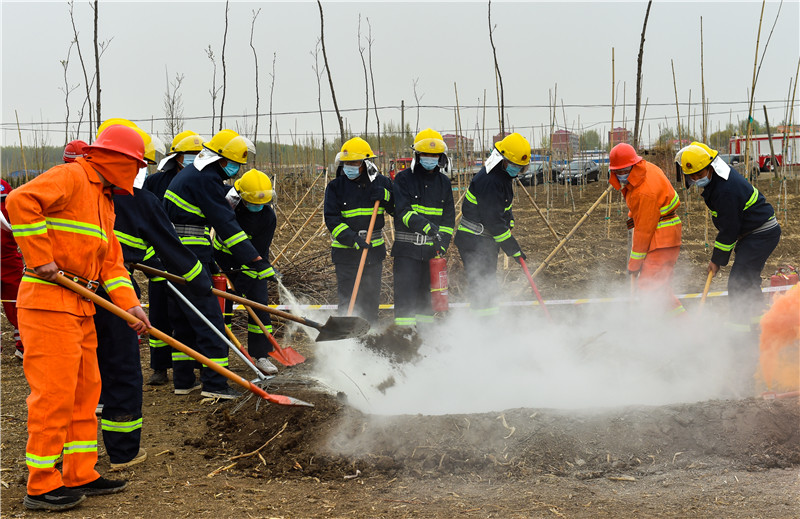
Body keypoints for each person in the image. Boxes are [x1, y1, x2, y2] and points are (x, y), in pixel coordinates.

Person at [7, 124, 151, 511]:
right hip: (49, 300)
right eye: (136, 165)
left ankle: (79, 471)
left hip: (82, 303)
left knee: (85, 394)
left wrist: (129, 304)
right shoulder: (72, 176)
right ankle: (41, 483)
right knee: (54, 395)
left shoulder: (104, 199)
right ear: (117, 159)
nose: (137, 173)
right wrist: (40, 258)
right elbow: (21, 201)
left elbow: (111, 262)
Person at [164, 129, 270, 399]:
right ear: (221, 159)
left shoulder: (190, 176)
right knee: (210, 319)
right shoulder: (206, 180)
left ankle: (184, 381)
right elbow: (226, 225)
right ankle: (215, 385)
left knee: (184, 320)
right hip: (190, 256)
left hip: (177, 254)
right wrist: (255, 259)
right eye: (234, 164)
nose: (235, 170)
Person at [676, 141, 781, 329]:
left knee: (738, 282)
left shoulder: (725, 190)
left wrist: (717, 260)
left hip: (761, 233)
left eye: (700, 174)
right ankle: (759, 325)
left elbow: (729, 229)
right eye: (691, 176)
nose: (696, 179)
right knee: (748, 279)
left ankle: (738, 331)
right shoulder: (717, 177)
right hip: (751, 234)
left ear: (710, 168)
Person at [142, 130, 204, 386]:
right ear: (178, 157)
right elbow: (143, 220)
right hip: (158, 260)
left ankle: (192, 366)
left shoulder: (201, 181)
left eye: (197, 155)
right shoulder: (156, 182)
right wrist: (151, 260)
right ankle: (160, 367)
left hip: (187, 258)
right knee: (159, 315)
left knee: (187, 317)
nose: (193, 159)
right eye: (189, 155)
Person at [454, 133, 528, 316]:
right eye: (514, 165)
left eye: (520, 167)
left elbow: (503, 208)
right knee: (483, 286)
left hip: (485, 241)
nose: (517, 170)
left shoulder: (502, 176)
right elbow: (493, 221)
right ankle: (483, 331)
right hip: (474, 240)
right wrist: (513, 249)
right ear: (504, 159)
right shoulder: (490, 180)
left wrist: (510, 220)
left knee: (487, 286)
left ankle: (487, 326)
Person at [214, 169, 279, 374]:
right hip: (222, 264)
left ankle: (261, 356)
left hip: (253, 264)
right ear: (241, 197)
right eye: (253, 202)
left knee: (260, 307)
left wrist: (250, 277)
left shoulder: (268, 216)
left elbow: (261, 250)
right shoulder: (228, 210)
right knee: (222, 312)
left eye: (263, 202)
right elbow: (226, 242)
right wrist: (234, 281)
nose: (258, 206)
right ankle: (220, 357)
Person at [608, 142, 684, 315]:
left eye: (624, 171)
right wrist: (633, 216)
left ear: (633, 165)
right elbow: (642, 211)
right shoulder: (646, 168)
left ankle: (653, 328)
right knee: (661, 289)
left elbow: (643, 231)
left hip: (661, 239)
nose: (621, 175)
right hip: (667, 234)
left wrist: (634, 264)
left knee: (648, 287)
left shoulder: (644, 192)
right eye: (617, 172)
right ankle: (682, 326)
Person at [324, 137, 394, 324]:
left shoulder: (382, 184)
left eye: (354, 162)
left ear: (365, 163)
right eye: (346, 163)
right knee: (347, 299)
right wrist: (352, 238)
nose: (349, 166)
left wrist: (386, 196)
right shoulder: (335, 187)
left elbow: (397, 209)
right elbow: (332, 219)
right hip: (345, 254)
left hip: (373, 253)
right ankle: (347, 340)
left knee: (371, 300)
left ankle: (369, 338)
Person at [391, 129, 455, 327]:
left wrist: (442, 245)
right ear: (417, 156)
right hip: (407, 252)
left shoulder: (444, 182)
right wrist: (427, 227)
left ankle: (426, 341)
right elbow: (403, 212)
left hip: (431, 254)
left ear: (441, 157)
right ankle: (403, 340)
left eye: (434, 155)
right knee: (405, 301)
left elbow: (448, 219)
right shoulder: (403, 179)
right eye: (426, 155)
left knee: (427, 302)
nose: (430, 158)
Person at [1, 178, 25, 359]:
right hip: (8, 255)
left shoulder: (3, 186)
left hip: (8, 257)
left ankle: (23, 344)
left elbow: (15, 212)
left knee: (18, 302)